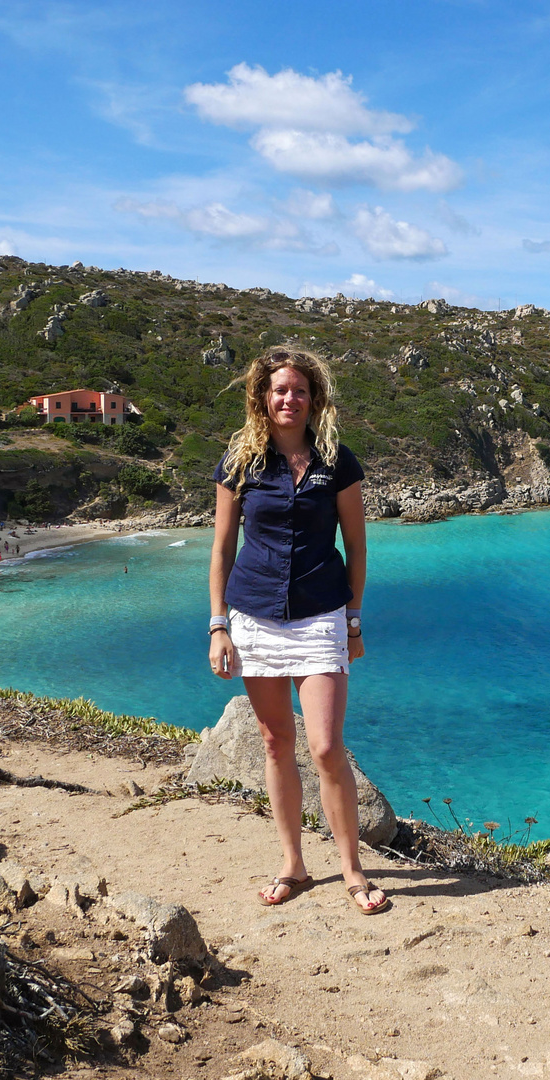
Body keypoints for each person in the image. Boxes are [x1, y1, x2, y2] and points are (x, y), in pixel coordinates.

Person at [207, 347, 385, 915]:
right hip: (254, 617)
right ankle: (294, 865)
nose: (289, 399)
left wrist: (353, 618)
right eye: (280, 390)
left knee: (327, 746)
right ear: (264, 396)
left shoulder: (338, 462)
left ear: (314, 399)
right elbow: (222, 548)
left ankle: (352, 869)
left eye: (300, 390)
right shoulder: (240, 461)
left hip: (320, 615)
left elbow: (355, 547)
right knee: (275, 743)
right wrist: (218, 625)